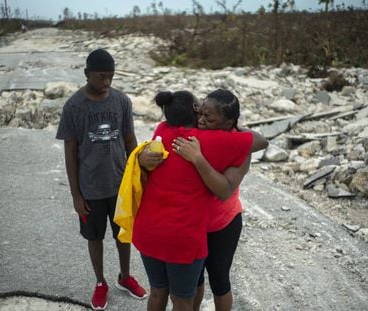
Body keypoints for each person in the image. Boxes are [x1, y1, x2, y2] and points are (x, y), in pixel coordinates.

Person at [141, 89, 268, 311]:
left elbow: (225, 191)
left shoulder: (235, 144)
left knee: (219, 282)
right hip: (193, 227)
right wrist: (143, 157)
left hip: (220, 224)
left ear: (229, 121)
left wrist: (198, 159)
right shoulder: (198, 136)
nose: (201, 120)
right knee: (193, 287)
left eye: (208, 117)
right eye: (200, 112)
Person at [56, 48, 147, 311]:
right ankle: (100, 283)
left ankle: (125, 277)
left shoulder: (121, 101)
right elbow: (70, 151)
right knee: (94, 237)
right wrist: (76, 194)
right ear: (86, 74)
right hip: (91, 187)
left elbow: (130, 140)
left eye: (110, 76)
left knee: (124, 235)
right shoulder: (74, 106)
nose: (106, 82)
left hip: (120, 184)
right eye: (100, 77)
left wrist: (140, 175)